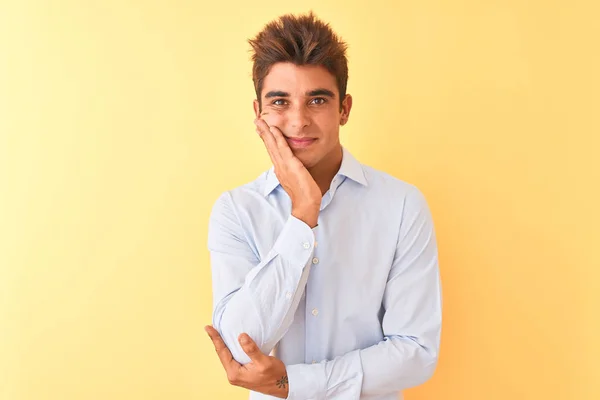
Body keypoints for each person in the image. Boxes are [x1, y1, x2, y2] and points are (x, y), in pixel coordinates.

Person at [205, 11, 442, 400]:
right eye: (280, 101)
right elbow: (239, 346)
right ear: (258, 113)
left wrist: (294, 385)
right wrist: (302, 216)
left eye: (317, 100)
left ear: (344, 109)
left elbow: (416, 352)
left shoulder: (401, 205)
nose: (298, 121)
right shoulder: (236, 210)